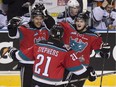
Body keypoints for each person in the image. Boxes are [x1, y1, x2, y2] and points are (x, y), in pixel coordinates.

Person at [1, 24, 97, 87]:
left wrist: (10, 51)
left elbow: (19, 56)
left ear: (50, 34)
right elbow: (81, 72)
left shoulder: (39, 45)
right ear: (62, 36)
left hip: (36, 84)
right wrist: (90, 72)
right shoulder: (65, 51)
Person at [59, 11, 110, 87]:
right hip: (66, 65)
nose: (78, 23)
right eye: (77, 21)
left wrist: (105, 51)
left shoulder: (93, 36)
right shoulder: (68, 29)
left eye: (81, 21)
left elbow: (102, 54)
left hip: (81, 68)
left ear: (86, 23)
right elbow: (52, 26)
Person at [7, 7, 50, 87]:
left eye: (41, 19)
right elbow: (12, 35)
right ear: (32, 18)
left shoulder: (44, 29)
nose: (39, 21)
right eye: (36, 19)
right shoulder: (24, 28)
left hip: (40, 65)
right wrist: (11, 25)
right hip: (27, 64)